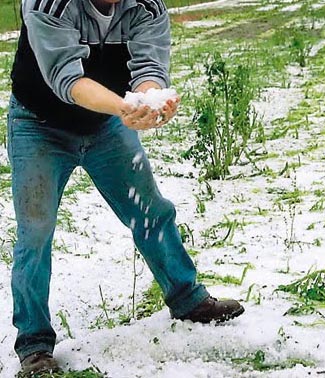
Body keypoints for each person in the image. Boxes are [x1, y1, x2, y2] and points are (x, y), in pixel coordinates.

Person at [8, 0, 244, 375]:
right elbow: (67, 79)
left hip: (107, 127)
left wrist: (152, 99)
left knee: (150, 210)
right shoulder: (47, 4)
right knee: (35, 230)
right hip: (39, 124)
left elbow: (149, 68)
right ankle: (34, 345)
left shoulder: (146, 7)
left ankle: (188, 299)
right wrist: (125, 107)